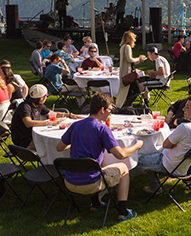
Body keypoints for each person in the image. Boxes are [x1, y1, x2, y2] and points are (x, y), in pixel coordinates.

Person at [56, 93, 143, 223]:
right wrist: (137, 145)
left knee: (95, 164)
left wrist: (75, 142)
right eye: (110, 110)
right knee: (124, 167)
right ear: (102, 110)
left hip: (69, 183)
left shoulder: (75, 125)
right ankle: (122, 212)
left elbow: (59, 147)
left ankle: (95, 204)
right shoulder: (102, 128)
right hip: (91, 184)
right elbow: (121, 155)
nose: (110, 114)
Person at [137, 94, 191, 196]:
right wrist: (175, 145)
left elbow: (166, 144)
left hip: (168, 164)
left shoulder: (185, 127)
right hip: (183, 166)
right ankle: (155, 187)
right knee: (151, 151)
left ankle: (117, 189)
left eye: (187, 107)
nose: (183, 109)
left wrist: (173, 145)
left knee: (136, 160)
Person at [11, 84, 78, 149]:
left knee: (57, 142)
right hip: (25, 142)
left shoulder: (38, 105)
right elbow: (28, 123)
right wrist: (50, 123)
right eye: (46, 95)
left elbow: (52, 113)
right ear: (41, 98)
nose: (46, 97)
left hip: (33, 136)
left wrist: (69, 115)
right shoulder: (24, 107)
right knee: (55, 145)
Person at [116, 31, 148, 108]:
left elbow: (128, 62)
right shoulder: (127, 47)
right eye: (133, 38)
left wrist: (138, 61)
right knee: (137, 91)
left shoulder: (122, 47)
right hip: (129, 74)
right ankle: (127, 105)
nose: (135, 39)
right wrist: (139, 58)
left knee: (129, 91)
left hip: (125, 72)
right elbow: (129, 60)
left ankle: (127, 106)